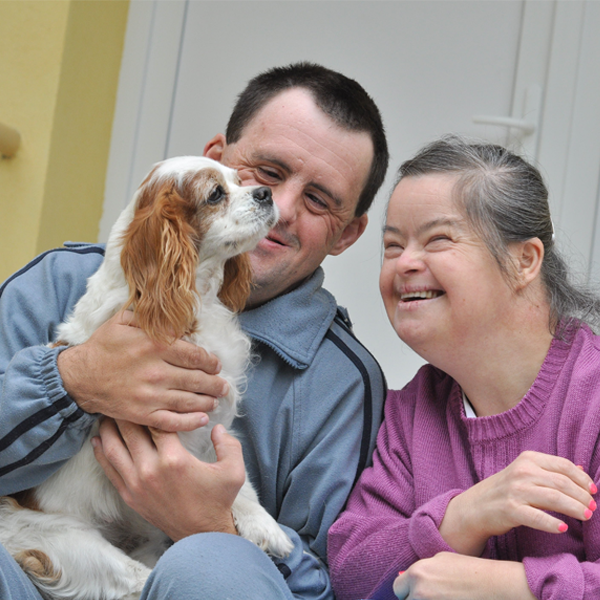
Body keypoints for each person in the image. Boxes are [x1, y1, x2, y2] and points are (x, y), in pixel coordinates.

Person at [0, 62, 388, 600]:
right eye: (268, 173)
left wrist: (211, 528)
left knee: (205, 568)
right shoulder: (56, 283)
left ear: (348, 234)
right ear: (216, 162)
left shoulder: (342, 384)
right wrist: (73, 379)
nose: (281, 209)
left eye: (320, 200)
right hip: (34, 564)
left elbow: (331, 586)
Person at [328, 136, 600, 600]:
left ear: (523, 261)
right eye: (392, 247)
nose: (405, 263)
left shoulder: (591, 400)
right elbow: (351, 572)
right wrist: (465, 517)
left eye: (438, 239)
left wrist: (516, 586)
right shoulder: (412, 410)